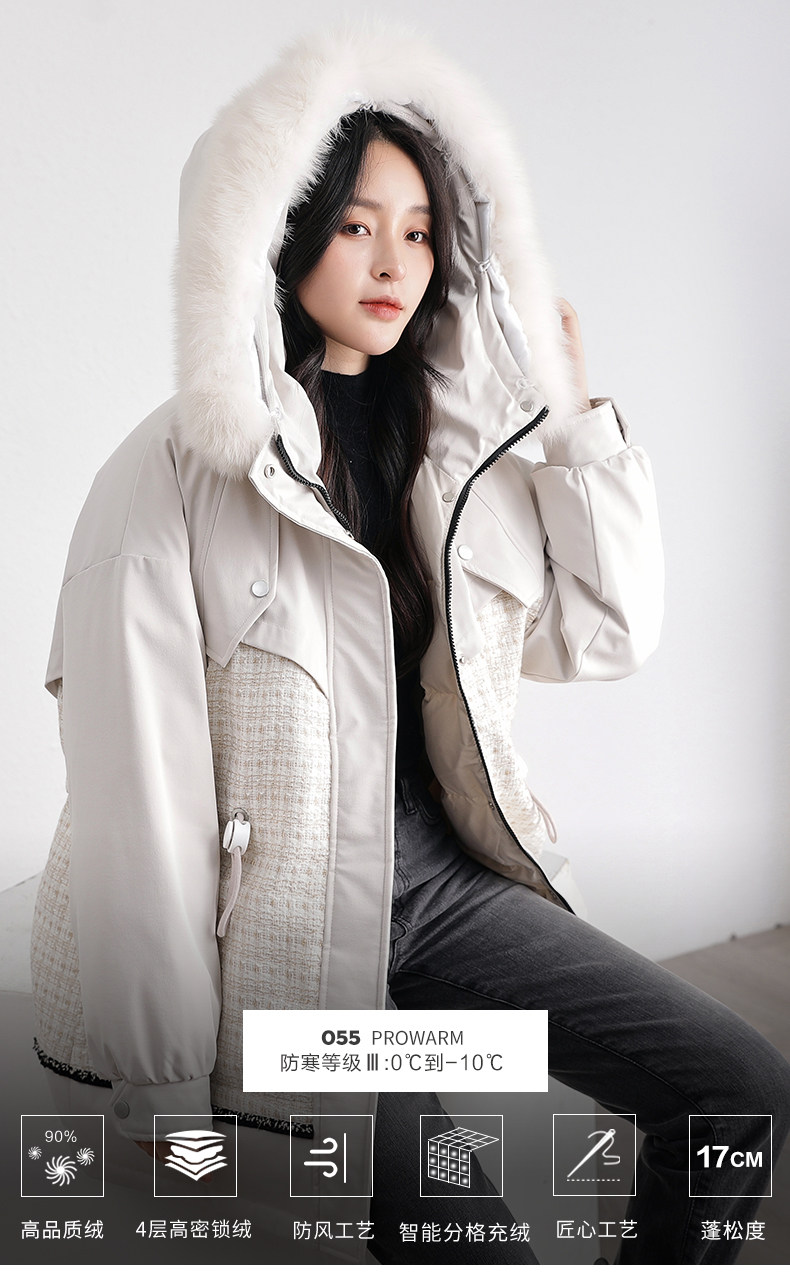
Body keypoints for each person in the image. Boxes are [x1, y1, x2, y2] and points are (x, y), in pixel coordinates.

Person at [31, 25, 789, 1266]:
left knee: (736, 1086)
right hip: (268, 935)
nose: (395, 261)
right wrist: (162, 1092)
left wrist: (572, 420)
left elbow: (606, 634)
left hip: (436, 889)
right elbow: (140, 803)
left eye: (422, 230)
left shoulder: (450, 454)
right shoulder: (171, 474)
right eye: (355, 225)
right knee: (477, 1245)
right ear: (277, 229)